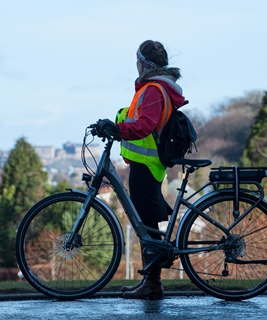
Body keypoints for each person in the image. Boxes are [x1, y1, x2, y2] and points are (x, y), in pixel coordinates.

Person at [98, 40, 186, 299]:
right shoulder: (157, 87)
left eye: (137, 61)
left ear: (142, 64)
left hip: (147, 165)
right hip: (148, 164)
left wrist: (118, 129)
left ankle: (153, 285)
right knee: (147, 224)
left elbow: (145, 125)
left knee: (146, 225)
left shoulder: (152, 89)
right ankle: (151, 281)